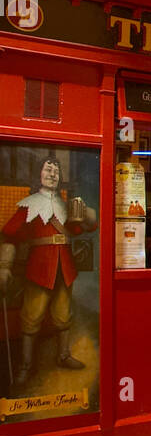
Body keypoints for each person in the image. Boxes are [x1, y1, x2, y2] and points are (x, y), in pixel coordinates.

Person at [0, 156, 97, 387]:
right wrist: (4, 265)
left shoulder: (66, 206)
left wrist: (87, 213)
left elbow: (85, 227)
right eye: (48, 170)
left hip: (65, 267)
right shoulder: (28, 205)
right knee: (31, 317)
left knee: (63, 315)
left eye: (56, 171)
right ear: (39, 174)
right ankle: (26, 365)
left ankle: (62, 355)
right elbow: (9, 235)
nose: (52, 174)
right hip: (39, 268)